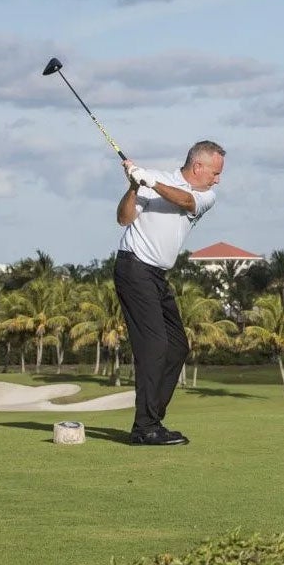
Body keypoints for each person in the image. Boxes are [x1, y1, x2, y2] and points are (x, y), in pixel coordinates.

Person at [113, 140, 225, 446]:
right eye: (214, 172)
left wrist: (149, 180)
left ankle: (150, 421)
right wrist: (135, 186)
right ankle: (145, 426)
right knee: (155, 345)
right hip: (133, 268)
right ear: (197, 166)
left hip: (157, 276)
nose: (217, 179)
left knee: (177, 346)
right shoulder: (153, 181)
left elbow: (185, 201)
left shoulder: (204, 196)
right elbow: (123, 218)